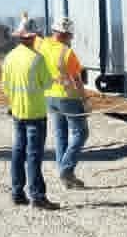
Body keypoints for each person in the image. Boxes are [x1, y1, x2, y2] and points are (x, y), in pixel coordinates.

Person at [0, 16, 58, 209]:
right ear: (34, 37)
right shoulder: (37, 60)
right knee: (33, 155)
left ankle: (17, 193)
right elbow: (48, 83)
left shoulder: (9, 58)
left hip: (17, 112)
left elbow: (6, 87)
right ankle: (38, 196)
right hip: (35, 114)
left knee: (17, 153)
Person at [38, 15, 89, 189]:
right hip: (68, 97)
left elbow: (25, 36)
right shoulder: (67, 53)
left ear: (54, 31)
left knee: (61, 134)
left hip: (49, 97)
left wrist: (24, 21)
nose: (72, 38)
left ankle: (64, 174)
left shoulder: (42, 45)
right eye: (71, 35)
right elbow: (77, 80)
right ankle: (66, 169)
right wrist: (85, 100)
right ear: (66, 35)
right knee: (80, 133)